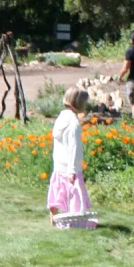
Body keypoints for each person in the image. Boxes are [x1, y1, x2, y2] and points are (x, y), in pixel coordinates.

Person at [48, 86, 96, 229]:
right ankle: (76, 222)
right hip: (70, 167)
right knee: (75, 196)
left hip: (59, 164)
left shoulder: (62, 117)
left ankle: (53, 221)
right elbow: (74, 148)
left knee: (57, 193)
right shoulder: (74, 123)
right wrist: (72, 170)